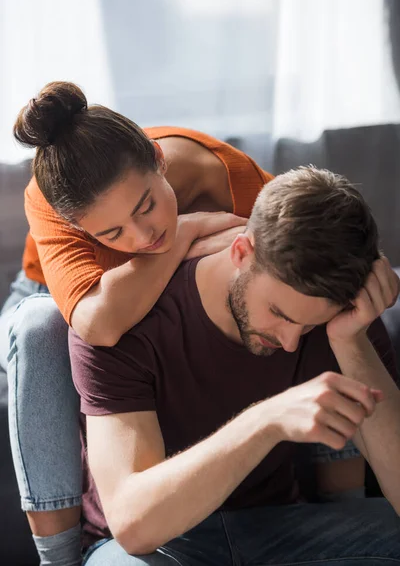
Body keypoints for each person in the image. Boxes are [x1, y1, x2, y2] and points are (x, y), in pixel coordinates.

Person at [0, 80, 273, 566]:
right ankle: (59, 559)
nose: (143, 235)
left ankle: (335, 508)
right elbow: (95, 323)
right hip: (50, 298)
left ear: (158, 159)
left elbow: (324, 246)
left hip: (154, 300)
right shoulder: (51, 194)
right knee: (42, 326)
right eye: (110, 233)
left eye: (146, 205)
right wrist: (186, 231)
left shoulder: (236, 180)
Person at [70, 166, 400, 566]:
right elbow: (134, 526)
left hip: (281, 527)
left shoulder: (345, 316)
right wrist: (266, 420)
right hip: (160, 545)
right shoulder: (128, 320)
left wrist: (350, 340)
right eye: (279, 312)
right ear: (242, 252)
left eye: (309, 324)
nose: (291, 341)